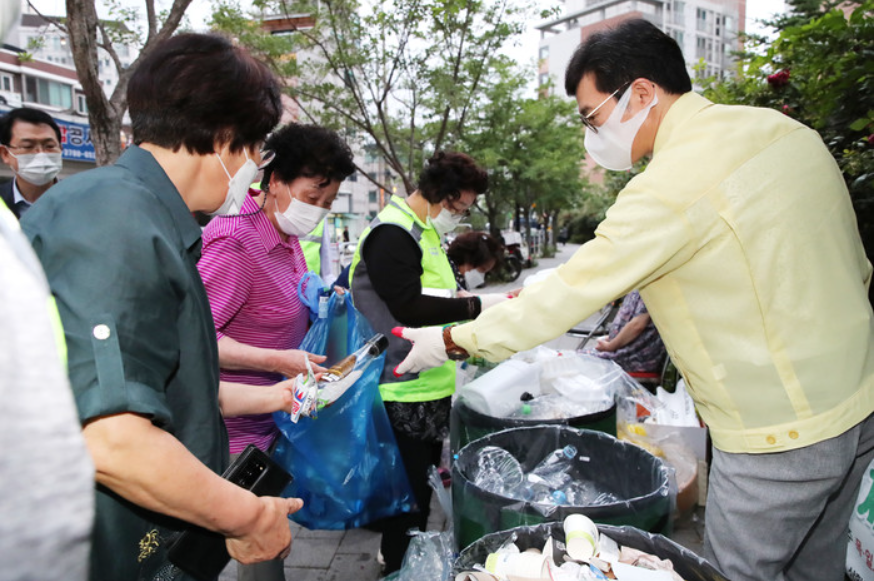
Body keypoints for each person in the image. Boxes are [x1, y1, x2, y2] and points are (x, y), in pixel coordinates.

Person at [393, 19, 874, 581]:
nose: (591, 135)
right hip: (858, 401)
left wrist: (450, 339)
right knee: (817, 567)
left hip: (778, 434)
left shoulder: (672, 183)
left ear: (642, 93)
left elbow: (570, 294)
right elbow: (856, 266)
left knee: (730, 573)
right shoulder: (786, 134)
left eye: (592, 117)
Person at [21, 33, 304, 581]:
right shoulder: (116, 221)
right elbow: (114, 437)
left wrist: (274, 392)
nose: (253, 172)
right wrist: (249, 517)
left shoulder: (148, 218)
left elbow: (169, 383)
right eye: (256, 151)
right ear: (225, 140)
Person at [197, 122, 355, 581]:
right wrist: (274, 360)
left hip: (272, 418)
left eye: (327, 204)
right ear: (274, 181)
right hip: (233, 429)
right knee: (252, 547)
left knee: (267, 546)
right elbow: (199, 338)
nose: (318, 212)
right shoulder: (234, 242)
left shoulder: (286, 239)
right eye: (311, 197)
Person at [349, 151, 509, 574]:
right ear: (443, 195)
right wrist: (479, 306)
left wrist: (474, 306)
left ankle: (404, 561)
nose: (460, 217)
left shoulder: (423, 233)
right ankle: (399, 567)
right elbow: (409, 306)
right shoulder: (392, 233)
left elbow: (439, 297)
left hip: (426, 381)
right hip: (397, 385)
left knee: (419, 494)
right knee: (408, 501)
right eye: (461, 207)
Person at [0, 107, 63, 219]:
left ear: (60, 149)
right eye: (28, 146)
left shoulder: (85, 200)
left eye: (49, 146)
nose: (41, 154)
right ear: (5, 154)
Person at [592, 290, 666, 376]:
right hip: (622, 350)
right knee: (578, 359)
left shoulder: (651, 289)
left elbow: (637, 326)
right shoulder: (638, 288)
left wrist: (610, 346)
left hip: (634, 357)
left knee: (580, 360)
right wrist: (611, 338)